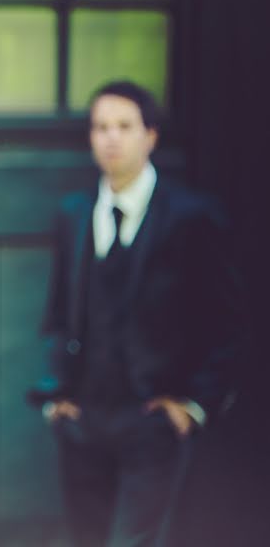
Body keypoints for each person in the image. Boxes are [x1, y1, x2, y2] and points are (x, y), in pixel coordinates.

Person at [27, 81, 244, 547]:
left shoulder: (193, 216)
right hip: (84, 419)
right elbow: (57, 313)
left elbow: (226, 321)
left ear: (150, 136)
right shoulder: (74, 214)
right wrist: (57, 398)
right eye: (101, 127)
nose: (111, 138)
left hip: (152, 420)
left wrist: (193, 403)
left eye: (124, 126)